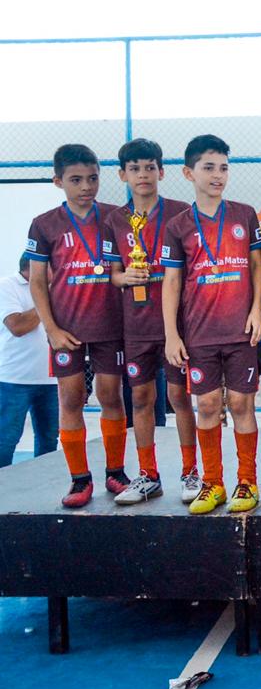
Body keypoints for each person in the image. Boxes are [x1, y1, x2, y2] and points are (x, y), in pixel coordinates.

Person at [161, 135, 261, 514]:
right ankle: (212, 483)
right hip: (199, 333)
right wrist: (172, 334)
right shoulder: (178, 225)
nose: (218, 175)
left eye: (223, 167)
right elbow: (172, 282)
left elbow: (256, 266)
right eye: (209, 168)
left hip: (240, 331)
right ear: (189, 173)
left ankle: (247, 481)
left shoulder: (244, 214)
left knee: (241, 403)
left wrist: (257, 311)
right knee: (206, 404)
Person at [25, 144, 127, 507]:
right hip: (66, 329)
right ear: (58, 181)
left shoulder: (116, 217)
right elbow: (38, 281)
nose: (86, 186)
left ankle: (116, 472)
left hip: (109, 325)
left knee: (110, 396)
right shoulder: (45, 223)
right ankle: (79, 479)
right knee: (71, 398)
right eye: (76, 180)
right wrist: (51, 329)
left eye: (93, 178)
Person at [104, 138, 199, 504]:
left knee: (178, 397)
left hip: (176, 326)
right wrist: (123, 277)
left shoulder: (181, 213)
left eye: (149, 168)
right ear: (122, 175)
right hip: (136, 326)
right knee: (141, 397)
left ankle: (190, 473)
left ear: (161, 172)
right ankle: (148, 475)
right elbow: (113, 273)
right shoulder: (115, 219)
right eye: (134, 169)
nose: (142, 174)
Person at [0, 256, 58, 468]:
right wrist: (46, 296)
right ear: (35, 267)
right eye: (53, 265)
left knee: (49, 439)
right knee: (6, 439)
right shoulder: (7, 286)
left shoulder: (56, 289)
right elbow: (18, 327)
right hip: (15, 379)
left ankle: (40, 481)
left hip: (51, 380)